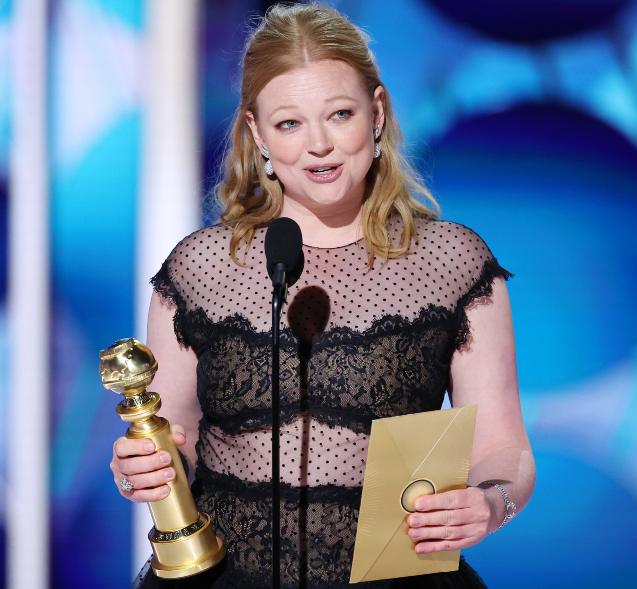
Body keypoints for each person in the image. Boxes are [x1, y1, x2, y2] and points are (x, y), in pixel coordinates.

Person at [109, 4, 535, 588]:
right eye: (289, 124)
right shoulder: (201, 268)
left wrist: (489, 504)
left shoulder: (450, 262)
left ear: (377, 113)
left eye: (340, 115)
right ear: (256, 132)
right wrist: (145, 468)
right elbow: (173, 438)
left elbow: (504, 450)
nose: (319, 146)